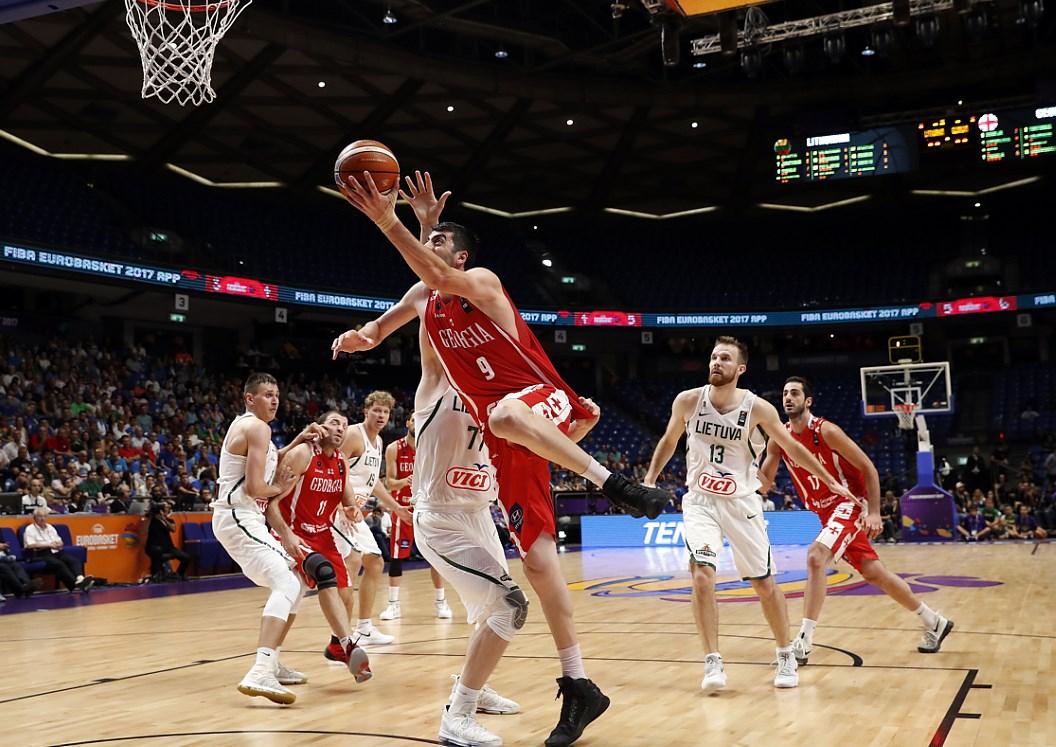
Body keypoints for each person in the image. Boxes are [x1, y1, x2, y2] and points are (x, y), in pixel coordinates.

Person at [335, 171, 674, 745]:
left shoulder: (482, 281)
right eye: (431, 239)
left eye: (443, 239)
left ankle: (619, 487)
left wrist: (392, 220)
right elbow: (418, 290)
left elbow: (439, 273)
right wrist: (363, 334)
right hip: (472, 480)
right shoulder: (434, 342)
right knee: (536, 569)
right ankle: (578, 683)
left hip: (530, 399)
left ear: (464, 256)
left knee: (506, 423)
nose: (433, 245)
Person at [644, 338, 859, 692]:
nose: (716, 362)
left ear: (740, 368)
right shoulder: (687, 401)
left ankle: (785, 652)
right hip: (699, 500)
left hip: (742, 503)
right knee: (701, 576)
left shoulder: (757, 408)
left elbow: (792, 448)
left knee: (763, 583)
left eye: (725, 358)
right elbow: (669, 441)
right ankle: (712, 661)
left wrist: (830, 481)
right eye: (713, 357)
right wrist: (650, 479)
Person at [759, 376, 954, 663]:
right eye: (785, 393)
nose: (788, 398)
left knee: (815, 557)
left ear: (807, 401)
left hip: (847, 502)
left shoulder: (827, 431)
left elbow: (868, 467)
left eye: (795, 393)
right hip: (824, 512)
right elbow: (763, 483)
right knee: (874, 572)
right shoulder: (779, 437)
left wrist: (873, 511)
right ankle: (934, 621)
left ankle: (804, 641)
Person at [210, 372, 321, 705]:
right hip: (238, 516)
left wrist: (296, 441)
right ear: (249, 398)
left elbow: (266, 464)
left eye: (277, 394)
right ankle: (259, 670)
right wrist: (282, 489)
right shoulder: (257, 428)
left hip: (245, 518)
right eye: (268, 394)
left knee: (298, 579)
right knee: (288, 583)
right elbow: (256, 488)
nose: (275, 400)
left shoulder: (253, 430)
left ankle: (270, 662)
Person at [269, 410, 372, 683]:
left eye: (345, 425)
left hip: (325, 536)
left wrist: (354, 512)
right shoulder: (303, 454)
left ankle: (337, 645)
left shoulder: (340, 462)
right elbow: (271, 503)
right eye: (334, 423)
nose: (340, 429)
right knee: (295, 594)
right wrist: (286, 535)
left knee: (346, 593)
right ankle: (346, 645)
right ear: (320, 427)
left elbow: (349, 501)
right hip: (295, 533)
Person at [326, 391, 413, 657]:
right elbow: (330, 466)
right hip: (336, 508)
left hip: (354, 512)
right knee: (351, 563)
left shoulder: (377, 443)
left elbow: (373, 482)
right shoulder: (354, 434)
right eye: (376, 410)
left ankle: (363, 627)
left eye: (385, 412)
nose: (381, 416)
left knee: (374, 561)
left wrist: (396, 506)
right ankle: (340, 635)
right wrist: (342, 504)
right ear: (366, 411)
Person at [379, 413, 452, 621]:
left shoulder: (431, 448)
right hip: (402, 508)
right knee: (396, 558)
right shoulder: (393, 448)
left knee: (435, 558)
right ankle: (393, 605)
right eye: (414, 420)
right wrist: (407, 480)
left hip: (427, 507)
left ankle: (441, 602)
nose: (417, 423)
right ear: (408, 423)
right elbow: (390, 483)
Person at [21, 507, 94, 592]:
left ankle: (80, 579)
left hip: (56, 551)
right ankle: (74, 584)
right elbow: (30, 545)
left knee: (73, 560)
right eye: (40, 516)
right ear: (34, 518)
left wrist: (59, 544)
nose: (43, 518)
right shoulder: (29, 529)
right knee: (58, 564)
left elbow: (60, 541)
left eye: (45, 516)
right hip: (41, 553)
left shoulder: (50, 527)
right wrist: (48, 545)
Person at [143, 500, 190, 581]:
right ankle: (157, 576)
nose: (168, 509)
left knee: (186, 557)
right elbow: (146, 522)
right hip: (155, 547)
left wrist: (164, 519)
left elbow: (173, 529)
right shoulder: (153, 520)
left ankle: (179, 574)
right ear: (161, 510)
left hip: (169, 547)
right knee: (157, 556)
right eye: (166, 508)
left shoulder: (169, 520)